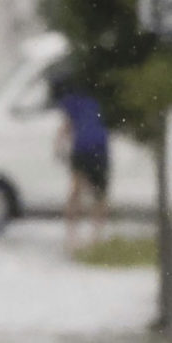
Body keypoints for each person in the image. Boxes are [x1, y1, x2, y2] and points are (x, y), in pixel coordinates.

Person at [56, 78, 111, 248]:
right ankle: (95, 235)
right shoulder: (102, 99)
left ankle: (74, 235)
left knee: (77, 191)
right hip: (97, 148)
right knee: (98, 194)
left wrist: (59, 144)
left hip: (83, 148)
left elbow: (67, 125)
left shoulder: (74, 100)